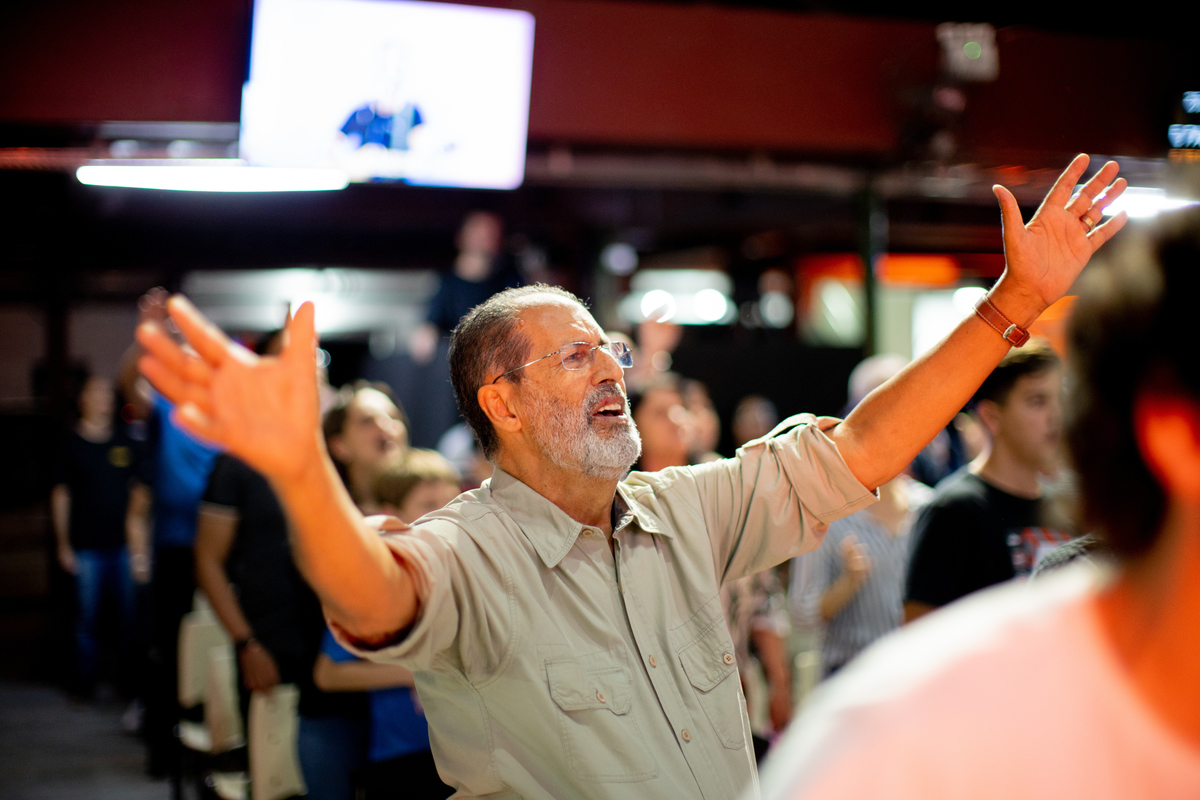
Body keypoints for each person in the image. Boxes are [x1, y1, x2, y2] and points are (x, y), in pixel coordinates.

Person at [136, 155, 1127, 799]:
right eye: (576, 358)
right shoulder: (468, 548)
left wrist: (1013, 305)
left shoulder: (683, 508)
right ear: (503, 402)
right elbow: (373, 596)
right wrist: (299, 463)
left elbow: (861, 451)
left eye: (610, 348)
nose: (612, 366)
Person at [757, 211, 1200, 800]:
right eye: (1034, 402)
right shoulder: (908, 746)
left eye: (1054, 401)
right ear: (1177, 434)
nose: (1049, 419)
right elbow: (830, 615)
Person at [314, 451, 462, 800]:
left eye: (452, 502)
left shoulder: (470, 567)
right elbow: (329, 673)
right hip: (405, 758)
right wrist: (421, 670)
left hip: (471, 752)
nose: (444, 514)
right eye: (428, 504)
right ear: (391, 516)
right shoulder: (374, 583)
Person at [119, 288, 222, 776]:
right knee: (166, 655)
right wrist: (149, 336)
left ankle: (217, 749)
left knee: (217, 652)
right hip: (176, 549)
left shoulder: (226, 416)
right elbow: (129, 383)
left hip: (222, 552)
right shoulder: (166, 407)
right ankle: (163, 752)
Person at [903, 339, 1074, 622]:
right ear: (992, 417)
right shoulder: (953, 510)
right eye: (1037, 401)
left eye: (1061, 399)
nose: (1056, 416)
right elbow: (917, 633)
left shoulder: (1067, 507)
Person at [790, 355, 932, 677]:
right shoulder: (828, 512)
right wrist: (847, 585)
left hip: (918, 679)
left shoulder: (929, 507)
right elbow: (801, 613)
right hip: (850, 678)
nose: (898, 430)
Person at [51, 374, 151, 698]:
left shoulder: (127, 442)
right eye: (97, 392)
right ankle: (85, 683)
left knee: (128, 618)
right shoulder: (70, 445)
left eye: (108, 392)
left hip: (124, 546)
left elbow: (142, 495)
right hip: (86, 547)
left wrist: (142, 548)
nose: (104, 398)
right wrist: (63, 544)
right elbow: (61, 496)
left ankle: (127, 685)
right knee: (86, 619)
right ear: (83, 400)